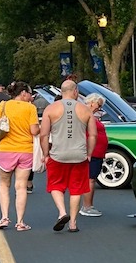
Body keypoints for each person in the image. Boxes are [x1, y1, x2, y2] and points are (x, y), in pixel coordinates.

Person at [39, 80, 96, 232]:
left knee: (56, 185)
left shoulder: (51, 109)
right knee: (76, 189)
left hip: (58, 154)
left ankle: (62, 212)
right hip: (79, 155)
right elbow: (92, 135)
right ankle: (73, 223)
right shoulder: (85, 110)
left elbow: (44, 135)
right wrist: (89, 153)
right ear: (75, 91)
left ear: (61, 91)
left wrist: (45, 154)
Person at [0, 82, 40, 231]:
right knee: (21, 187)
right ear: (23, 93)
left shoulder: (3, 106)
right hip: (25, 150)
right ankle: (20, 222)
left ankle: (4, 217)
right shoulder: (31, 108)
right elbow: (34, 130)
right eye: (30, 94)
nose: (31, 97)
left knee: (4, 185)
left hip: (6, 149)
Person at [79, 93, 109, 217]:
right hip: (92, 152)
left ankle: (88, 205)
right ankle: (87, 206)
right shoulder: (86, 114)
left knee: (91, 179)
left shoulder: (89, 115)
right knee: (90, 179)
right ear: (92, 102)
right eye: (99, 104)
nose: (99, 107)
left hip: (96, 152)